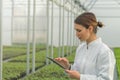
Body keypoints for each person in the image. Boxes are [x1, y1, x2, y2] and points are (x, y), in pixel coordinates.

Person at [55, 12, 117, 80]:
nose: (76, 34)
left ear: (90, 29)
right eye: (76, 30)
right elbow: (78, 71)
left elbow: (105, 78)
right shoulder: (80, 48)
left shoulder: (104, 52)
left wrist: (80, 77)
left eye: (79, 30)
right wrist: (68, 66)